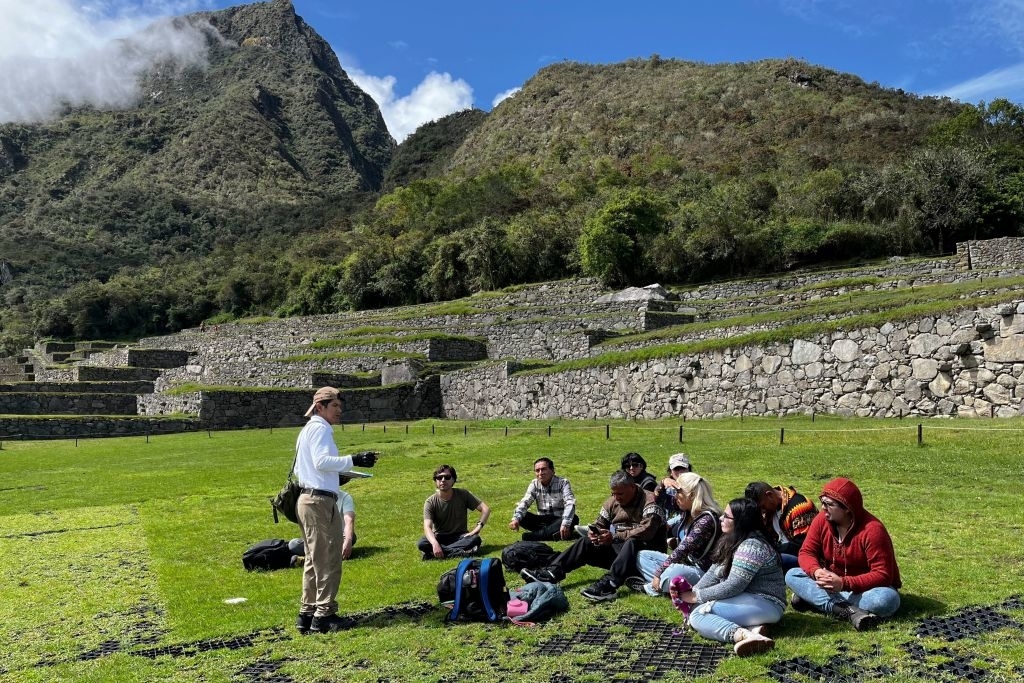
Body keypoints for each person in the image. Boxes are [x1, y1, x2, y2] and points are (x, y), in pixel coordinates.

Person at [294, 387, 378, 635]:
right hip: (319, 503)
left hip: (309, 498)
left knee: (313, 560)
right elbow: (321, 461)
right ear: (320, 407)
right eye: (335, 406)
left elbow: (306, 470)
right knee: (329, 559)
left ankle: (307, 613)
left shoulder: (307, 430)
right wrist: (355, 459)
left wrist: (335, 479)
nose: (340, 411)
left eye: (340, 406)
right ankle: (324, 615)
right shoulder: (320, 428)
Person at [521, 470, 665, 602]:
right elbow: (599, 523)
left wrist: (615, 537)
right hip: (622, 553)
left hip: (648, 557)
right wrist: (595, 533)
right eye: (613, 493)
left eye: (620, 494)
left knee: (632, 542)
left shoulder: (651, 501)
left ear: (633, 487)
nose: (616, 498)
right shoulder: (612, 501)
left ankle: (610, 584)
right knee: (586, 541)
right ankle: (552, 573)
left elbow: (647, 531)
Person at [671, 498, 786, 656]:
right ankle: (755, 628)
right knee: (696, 608)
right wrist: (693, 591)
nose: (720, 518)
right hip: (750, 600)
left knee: (698, 615)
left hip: (767, 602)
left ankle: (743, 635)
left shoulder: (752, 546)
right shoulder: (733, 539)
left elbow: (734, 585)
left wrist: (696, 596)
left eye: (726, 516)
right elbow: (713, 572)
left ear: (740, 521)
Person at [785, 477, 901, 631]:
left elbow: (883, 574)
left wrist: (843, 584)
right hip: (831, 583)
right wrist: (817, 571)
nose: (823, 508)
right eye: (822, 502)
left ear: (847, 508)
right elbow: (807, 552)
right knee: (792, 575)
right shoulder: (821, 520)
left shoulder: (873, 530)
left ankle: (814, 599)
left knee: (887, 599)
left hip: (864, 589)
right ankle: (847, 611)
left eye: (829, 505)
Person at [632, 472, 722, 596]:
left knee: (674, 572)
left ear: (691, 495)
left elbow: (682, 550)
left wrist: (659, 573)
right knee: (642, 556)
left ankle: (653, 587)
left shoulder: (706, 520)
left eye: (678, 492)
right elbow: (659, 500)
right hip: (684, 563)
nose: (675, 497)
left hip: (702, 571)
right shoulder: (688, 509)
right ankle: (665, 585)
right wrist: (662, 484)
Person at [418, 464, 491, 560]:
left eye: (447, 477)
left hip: (460, 536)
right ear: (436, 481)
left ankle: (436, 554)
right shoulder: (430, 502)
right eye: (439, 478)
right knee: (422, 543)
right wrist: (435, 543)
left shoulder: (463, 494)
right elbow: (427, 527)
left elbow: (485, 509)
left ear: (453, 480)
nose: (443, 480)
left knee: (475, 539)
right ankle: (459, 552)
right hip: (440, 537)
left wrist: (478, 527)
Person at [744, 482, 817, 570]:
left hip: (802, 556)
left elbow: (802, 546)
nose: (762, 511)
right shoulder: (770, 508)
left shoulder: (799, 508)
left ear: (769, 495)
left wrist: (771, 549)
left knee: (763, 560)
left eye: (763, 506)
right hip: (781, 551)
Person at [289, 473, 358, 566]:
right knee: (294, 544)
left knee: (351, 537)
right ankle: (329, 556)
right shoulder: (314, 498)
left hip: (337, 537)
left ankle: (308, 559)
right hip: (318, 539)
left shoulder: (345, 497)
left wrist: (348, 540)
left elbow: (349, 520)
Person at [509, 457, 579, 541]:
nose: (540, 473)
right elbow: (525, 502)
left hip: (558, 520)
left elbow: (570, 503)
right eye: (537, 470)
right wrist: (516, 519)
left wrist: (565, 524)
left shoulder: (563, 483)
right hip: (542, 521)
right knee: (523, 516)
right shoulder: (534, 484)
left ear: (553, 471)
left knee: (574, 518)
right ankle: (552, 534)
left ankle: (537, 535)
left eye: (543, 469)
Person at [652, 452, 694, 540]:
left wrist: (670, 523)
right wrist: (662, 483)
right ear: (671, 472)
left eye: (683, 468)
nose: (680, 473)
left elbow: (691, 511)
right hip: (666, 525)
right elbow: (656, 500)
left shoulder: (694, 486)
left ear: (689, 470)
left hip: (685, 522)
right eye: (676, 469)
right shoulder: (667, 487)